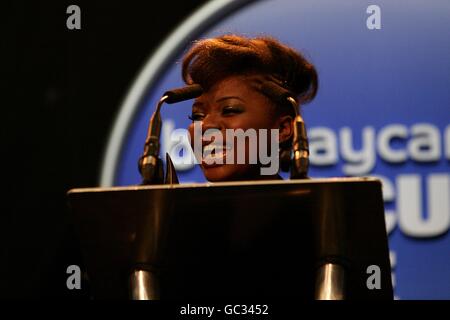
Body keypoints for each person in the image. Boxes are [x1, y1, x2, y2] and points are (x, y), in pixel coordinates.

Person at [182, 34, 318, 182]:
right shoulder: (169, 205)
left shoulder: (322, 204)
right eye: (197, 116)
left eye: (229, 110)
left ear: (282, 129)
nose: (205, 125)